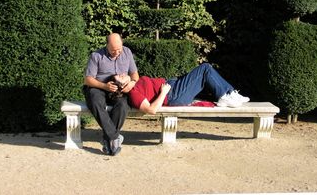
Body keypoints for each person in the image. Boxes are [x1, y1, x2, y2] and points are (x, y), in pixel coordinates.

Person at [83, 33, 139, 155]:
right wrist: (104, 86)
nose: (117, 52)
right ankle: (114, 137)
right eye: (113, 50)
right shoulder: (96, 55)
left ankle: (107, 139)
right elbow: (87, 80)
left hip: (119, 88)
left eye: (119, 49)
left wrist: (132, 83)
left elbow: (135, 74)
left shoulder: (127, 52)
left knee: (123, 106)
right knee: (96, 102)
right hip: (98, 86)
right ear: (106, 45)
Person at [122, 63, 250, 115]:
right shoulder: (134, 94)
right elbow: (151, 110)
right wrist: (163, 93)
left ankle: (229, 93)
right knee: (205, 68)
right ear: (122, 87)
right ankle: (225, 96)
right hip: (172, 95)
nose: (122, 74)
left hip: (172, 86)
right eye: (120, 77)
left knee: (205, 71)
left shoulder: (134, 83)